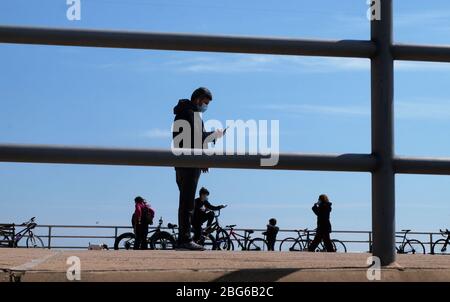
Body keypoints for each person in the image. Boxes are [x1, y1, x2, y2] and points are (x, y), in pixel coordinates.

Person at [172, 87, 224, 250]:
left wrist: (202, 158)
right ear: (198, 99)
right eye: (205, 103)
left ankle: (184, 239)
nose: (205, 106)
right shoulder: (191, 114)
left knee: (185, 202)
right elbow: (196, 137)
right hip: (189, 163)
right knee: (187, 204)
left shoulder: (183, 112)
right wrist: (215, 135)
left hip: (182, 162)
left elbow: (191, 139)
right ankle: (185, 240)